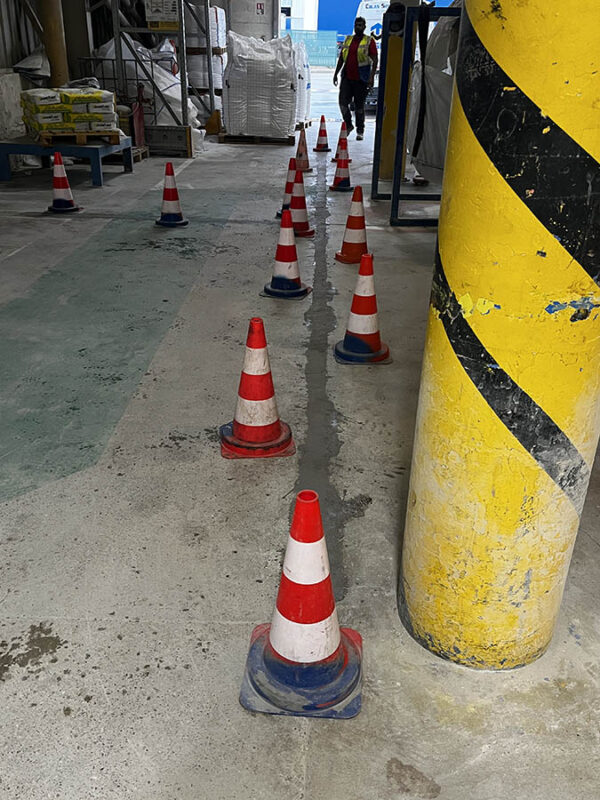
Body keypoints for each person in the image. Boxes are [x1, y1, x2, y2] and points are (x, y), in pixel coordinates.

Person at [333, 17, 378, 141]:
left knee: (359, 107)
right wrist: (336, 73)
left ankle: (360, 130)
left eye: (360, 25)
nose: (358, 27)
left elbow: (375, 60)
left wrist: (371, 77)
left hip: (361, 79)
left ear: (364, 27)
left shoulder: (369, 41)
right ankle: (348, 125)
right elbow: (342, 58)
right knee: (342, 103)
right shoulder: (348, 40)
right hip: (347, 77)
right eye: (356, 25)